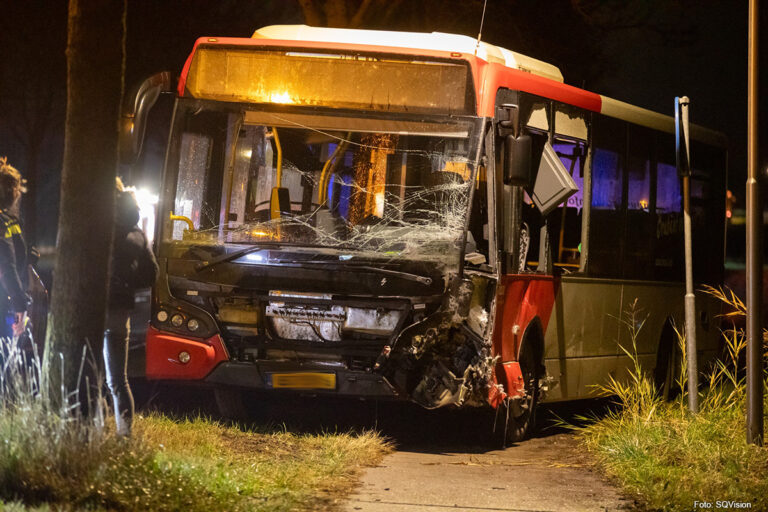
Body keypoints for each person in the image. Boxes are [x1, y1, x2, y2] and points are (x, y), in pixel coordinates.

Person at [104, 178, 157, 436]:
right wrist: (128, 283)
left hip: (96, 306)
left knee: (88, 375)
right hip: (121, 309)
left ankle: (88, 434)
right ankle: (124, 436)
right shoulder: (137, 232)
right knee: (118, 379)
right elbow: (152, 273)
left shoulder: (101, 227)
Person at [0, 158, 29, 341]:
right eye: (16, 188)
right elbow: (6, 266)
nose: (19, 193)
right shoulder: (3, 221)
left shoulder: (10, 219)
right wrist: (20, 304)